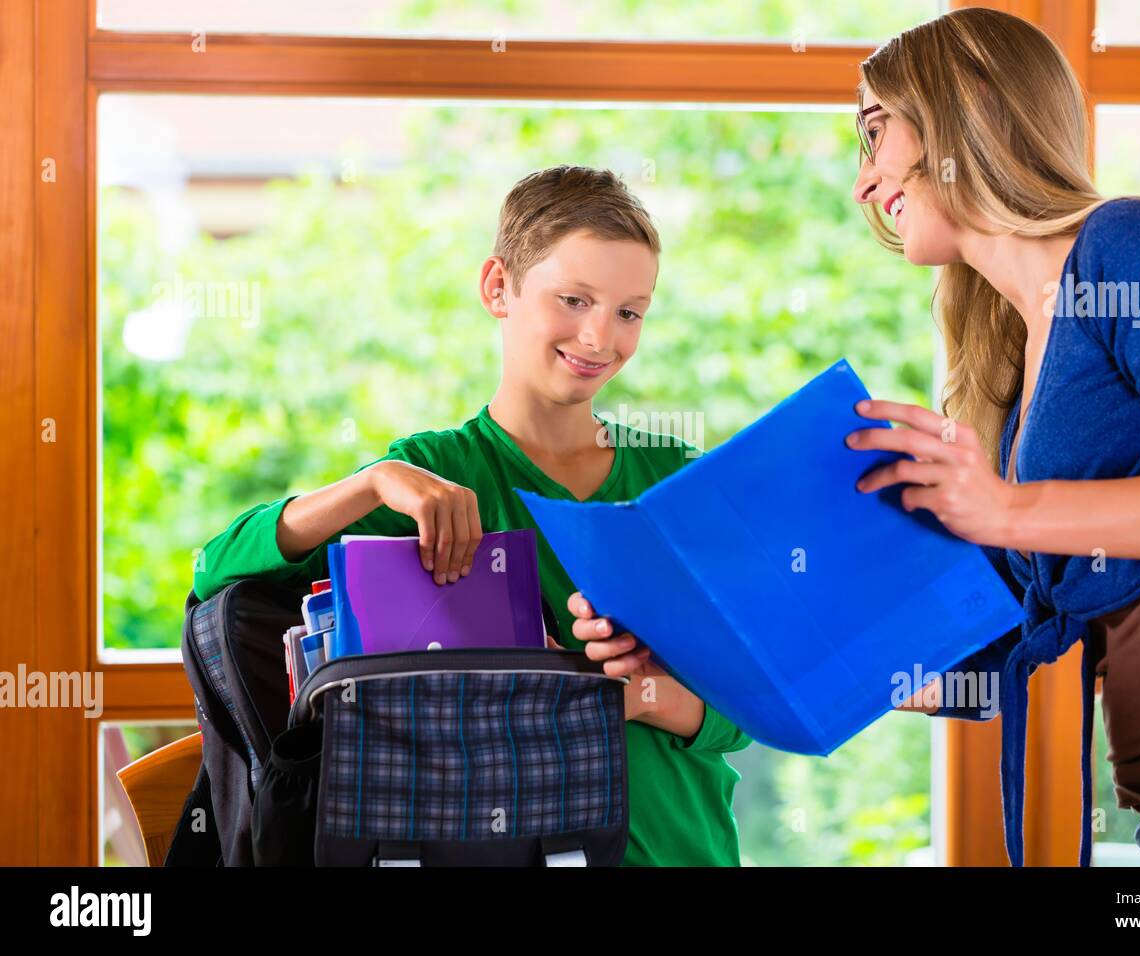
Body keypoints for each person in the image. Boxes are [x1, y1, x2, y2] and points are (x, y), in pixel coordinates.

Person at [840, 7, 1140, 866]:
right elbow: (1006, 643)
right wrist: (774, 662)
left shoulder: (1129, 243)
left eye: (876, 131)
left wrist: (1006, 510)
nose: (864, 184)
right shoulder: (1021, 383)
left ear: (965, 102)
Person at [194, 165, 751, 866]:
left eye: (629, 311)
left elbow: (747, 710)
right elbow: (216, 566)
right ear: (498, 288)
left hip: (681, 851)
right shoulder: (435, 477)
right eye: (573, 299)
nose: (599, 337)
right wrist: (373, 483)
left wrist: (636, 696)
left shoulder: (678, 481)